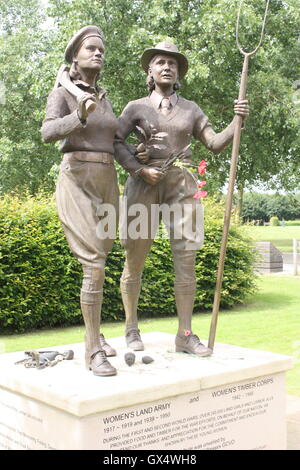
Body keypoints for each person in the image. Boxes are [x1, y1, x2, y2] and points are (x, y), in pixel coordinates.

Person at [114, 41, 249, 356]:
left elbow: (215, 144)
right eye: (160, 62)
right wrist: (137, 166)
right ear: (150, 70)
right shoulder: (135, 107)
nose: (166, 67)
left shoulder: (191, 109)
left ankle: (185, 334)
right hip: (142, 185)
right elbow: (115, 141)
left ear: (178, 73)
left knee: (186, 262)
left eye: (172, 64)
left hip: (182, 187)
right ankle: (131, 328)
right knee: (134, 260)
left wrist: (236, 120)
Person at [41, 26, 119, 376]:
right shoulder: (62, 93)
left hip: (107, 179)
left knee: (102, 256)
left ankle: (96, 334)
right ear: (75, 56)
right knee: (94, 264)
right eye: (91, 48)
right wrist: (79, 115)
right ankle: (93, 351)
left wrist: (140, 158)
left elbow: (115, 142)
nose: (98, 53)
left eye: (101, 49)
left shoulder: (105, 97)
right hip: (77, 178)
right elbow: (47, 132)